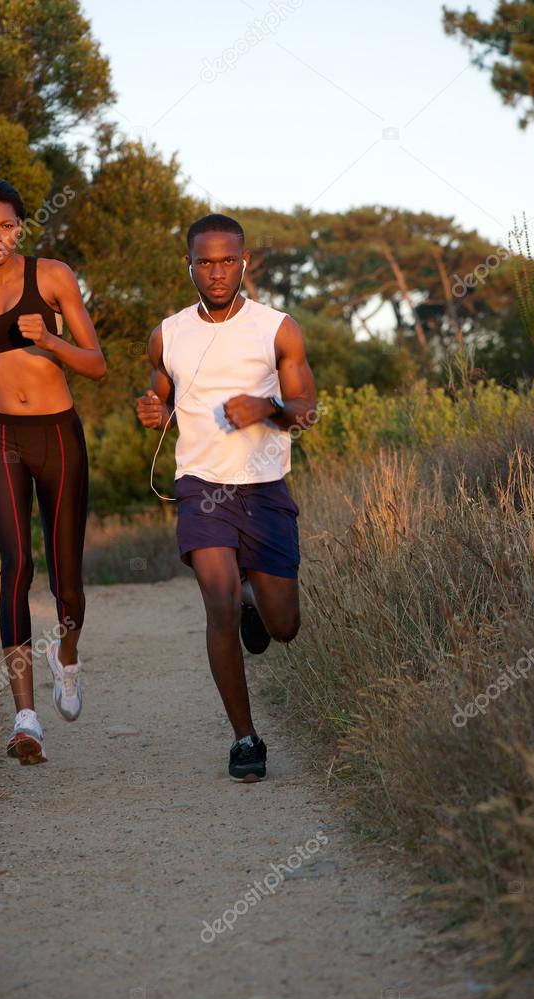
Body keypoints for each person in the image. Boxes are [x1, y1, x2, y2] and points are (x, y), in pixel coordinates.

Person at [136, 214, 317, 782]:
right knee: (214, 603)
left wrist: (265, 408)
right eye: (204, 262)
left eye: (226, 261)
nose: (216, 273)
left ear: (245, 263)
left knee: (283, 626)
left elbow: (306, 411)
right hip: (201, 488)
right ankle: (245, 739)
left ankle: (251, 599)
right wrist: (153, 412)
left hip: (263, 489)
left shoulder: (278, 329)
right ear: (188, 264)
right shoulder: (167, 334)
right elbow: (162, 395)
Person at [0, 178, 106, 765]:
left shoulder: (52, 277)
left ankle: (68, 653)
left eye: (6, 225)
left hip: (58, 434)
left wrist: (51, 341)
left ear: (20, 229)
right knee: (16, 564)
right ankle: (25, 719)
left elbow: (98, 365)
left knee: (65, 574)